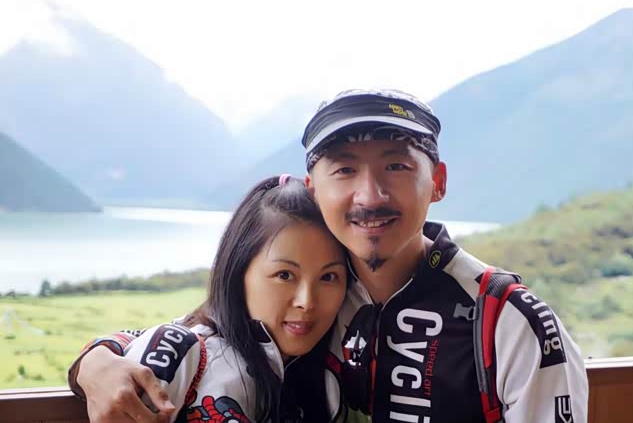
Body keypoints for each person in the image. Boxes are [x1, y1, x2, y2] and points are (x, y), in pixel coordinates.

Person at [70, 89, 589, 422]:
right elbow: (193, 334)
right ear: (313, 189)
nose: (369, 195)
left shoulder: (508, 322)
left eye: (396, 166)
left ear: (438, 182)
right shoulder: (320, 296)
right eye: (344, 170)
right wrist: (94, 363)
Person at [68, 175, 348, 423]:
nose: (307, 301)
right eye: (285, 275)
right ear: (238, 271)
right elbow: (157, 339)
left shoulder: (332, 368)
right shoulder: (186, 353)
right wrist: (95, 358)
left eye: (328, 277)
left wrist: (94, 356)